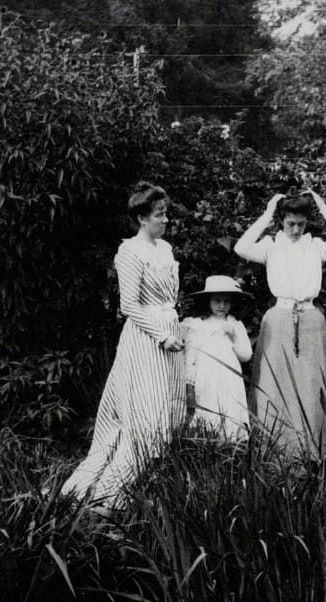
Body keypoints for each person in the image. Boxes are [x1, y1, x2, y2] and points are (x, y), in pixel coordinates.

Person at [62, 182, 185, 506]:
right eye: (160, 215)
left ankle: (135, 493)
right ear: (142, 218)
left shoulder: (166, 250)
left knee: (166, 420)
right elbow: (129, 306)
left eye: (166, 214)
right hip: (146, 342)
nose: (166, 220)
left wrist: (174, 328)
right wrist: (162, 335)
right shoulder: (129, 252)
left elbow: (168, 299)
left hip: (170, 337)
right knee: (146, 423)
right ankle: (105, 499)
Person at [233, 190, 326, 458]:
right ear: (281, 222)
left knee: (313, 384)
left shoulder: (315, 246)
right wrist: (266, 214)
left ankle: (315, 453)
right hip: (278, 320)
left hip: (311, 321)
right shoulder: (270, 245)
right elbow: (240, 247)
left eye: (301, 223)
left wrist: (323, 206)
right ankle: (276, 454)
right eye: (290, 223)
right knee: (275, 384)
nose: (296, 229)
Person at [181, 275, 253, 443]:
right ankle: (208, 451)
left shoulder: (235, 325)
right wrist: (189, 384)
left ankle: (233, 449)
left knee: (231, 412)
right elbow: (190, 358)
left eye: (227, 301)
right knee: (208, 412)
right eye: (217, 300)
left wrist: (234, 336)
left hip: (230, 381)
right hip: (206, 379)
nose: (222, 305)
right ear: (208, 301)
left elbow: (246, 355)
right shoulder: (197, 325)